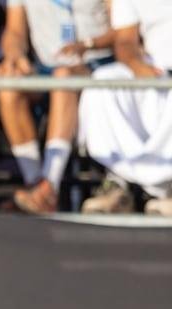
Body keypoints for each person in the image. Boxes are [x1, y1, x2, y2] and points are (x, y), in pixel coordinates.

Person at [0, 0, 114, 214]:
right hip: (46, 67)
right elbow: (14, 31)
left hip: (97, 64)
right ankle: (35, 182)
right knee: (8, 83)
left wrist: (87, 44)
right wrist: (15, 55)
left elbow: (124, 32)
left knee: (63, 77)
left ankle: (49, 185)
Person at [78, 0, 172, 214]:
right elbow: (125, 40)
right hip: (155, 71)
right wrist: (136, 65)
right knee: (104, 81)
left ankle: (165, 189)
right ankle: (118, 183)